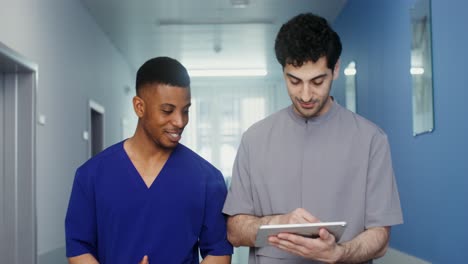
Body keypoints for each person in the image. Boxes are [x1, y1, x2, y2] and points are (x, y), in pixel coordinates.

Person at [223, 13, 403, 264]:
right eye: (294, 81)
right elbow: (234, 230)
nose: (305, 94)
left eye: (317, 81)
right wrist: (278, 223)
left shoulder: (372, 140)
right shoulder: (254, 140)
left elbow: (380, 236)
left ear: (335, 69)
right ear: (283, 71)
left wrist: (339, 253)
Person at [65, 57, 233, 264]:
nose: (180, 122)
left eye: (186, 110)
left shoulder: (208, 179)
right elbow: (79, 248)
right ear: (139, 107)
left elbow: (218, 252)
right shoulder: (91, 175)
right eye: (167, 111)